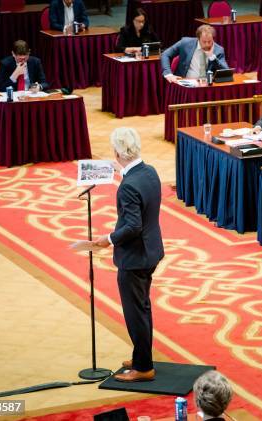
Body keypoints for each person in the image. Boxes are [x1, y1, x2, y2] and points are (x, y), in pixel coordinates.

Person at [91, 128, 164, 382]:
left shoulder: (127, 187)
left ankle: (143, 367)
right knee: (142, 307)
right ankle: (141, 354)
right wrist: (120, 169)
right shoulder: (150, 172)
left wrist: (107, 239)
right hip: (152, 250)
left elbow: (132, 226)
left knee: (135, 313)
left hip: (135, 258)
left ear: (117, 152)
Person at [161, 24, 228, 82]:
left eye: (209, 41)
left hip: (206, 85)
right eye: (204, 42)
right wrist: (168, 74)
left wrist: (212, 57)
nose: (207, 44)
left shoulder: (218, 50)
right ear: (198, 39)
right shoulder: (185, 43)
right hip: (185, 83)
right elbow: (165, 54)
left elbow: (226, 72)